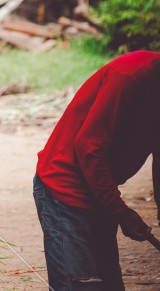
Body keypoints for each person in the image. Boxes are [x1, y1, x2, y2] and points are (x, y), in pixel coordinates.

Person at [34, 50, 160, 291]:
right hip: (64, 188)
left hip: (101, 189)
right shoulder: (131, 74)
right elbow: (88, 146)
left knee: (109, 285)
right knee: (79, 286)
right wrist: (120, 211)